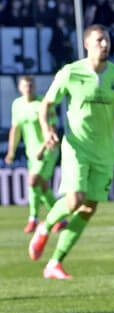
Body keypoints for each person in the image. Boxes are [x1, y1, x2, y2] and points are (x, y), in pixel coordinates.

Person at [28, 25, 114, 279]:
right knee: (75, 199)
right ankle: (45, 225)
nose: (104, 45)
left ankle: (54, 263)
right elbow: (46, 105)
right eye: (99, 40)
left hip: (105, 152)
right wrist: (46, 130)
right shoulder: (70, 72)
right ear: (87, 44)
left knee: (88, 208)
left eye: (107, 40)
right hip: (77, 148)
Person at [5, 76, 60, 233]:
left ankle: (33, 219)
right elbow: (15, 130)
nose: (28, 88)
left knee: (32, 180)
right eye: (25, 85)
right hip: (32, 153)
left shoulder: (43, 104)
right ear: (20, 88)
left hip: (48, 149)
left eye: (31, 85)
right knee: (41, 186)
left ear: (34, 86)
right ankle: (58, 218)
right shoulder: (17, 105)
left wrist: (43, 149)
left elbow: (52, 130)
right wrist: (11, 151)